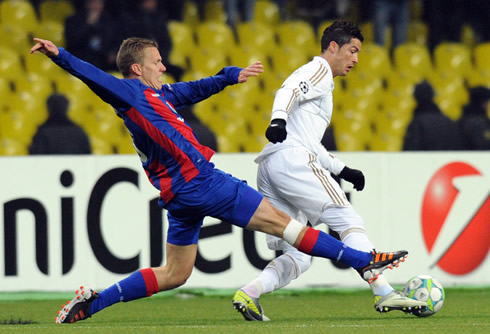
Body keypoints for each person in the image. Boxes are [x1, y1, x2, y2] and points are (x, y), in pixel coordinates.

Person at [31, 36, 408, 325]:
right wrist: (58, 54)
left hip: (179, 195)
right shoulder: (129, 93)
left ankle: (93, 302)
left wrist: (229, 77)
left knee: (175, 273)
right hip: (202, 181)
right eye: (157, 62)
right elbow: (92, 76)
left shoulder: (156, 95)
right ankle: (364, 260)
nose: (163, 67)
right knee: (284, 223)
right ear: (136, 68)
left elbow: (192, 89)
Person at [233, 21, 427, 322]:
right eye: (352, 50)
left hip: (272, 165)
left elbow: (312, 143)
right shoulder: (320, 70)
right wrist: (278, 120)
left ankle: (250, 293)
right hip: (292, 160)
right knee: (347, 219)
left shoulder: (323, 86)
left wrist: (343, 169)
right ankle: (384, 291)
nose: (356, 59)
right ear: (333, 47)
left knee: (299, 255)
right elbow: (288, 90)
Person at [120, 0, 183, 80]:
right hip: (139, 62)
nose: (153, 3)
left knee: (178, 71)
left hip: (158, 59)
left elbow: (166, 43)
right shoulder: (129, 19)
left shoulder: (159, 18)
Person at [403, 81, 464, 151]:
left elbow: (411, 152)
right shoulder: (448, 121)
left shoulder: (417, 123)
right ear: (433, 95)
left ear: (415, 97)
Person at [64, 0, 121, 71]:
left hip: (102, 63)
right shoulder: (73, 20)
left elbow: (115, 42)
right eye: (93, 2)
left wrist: (113, 53)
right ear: (87, 3)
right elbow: (73, 42)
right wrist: (89, 24)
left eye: (99, 2)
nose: (96, 5)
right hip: (79, 61)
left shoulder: (110, 22)